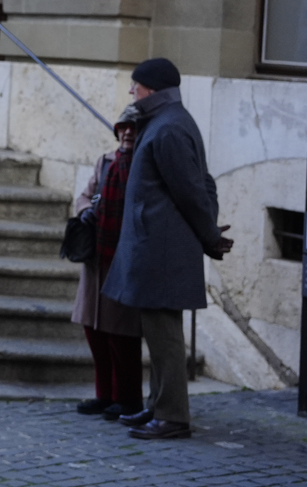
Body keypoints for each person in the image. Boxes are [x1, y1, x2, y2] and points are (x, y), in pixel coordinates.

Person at [101, 58, 231, 441]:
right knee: (156, 331)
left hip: (161, 248)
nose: (130, 90)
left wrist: (209, 235)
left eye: (135, 85)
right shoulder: (162, 121)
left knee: (165, 335)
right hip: (155, 245)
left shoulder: (169, 126)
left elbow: (193, 190)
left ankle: (172, 416)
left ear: (153, 89)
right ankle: (158, 405)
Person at [70, 117, 142, 420]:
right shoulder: (106, 162)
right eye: (122, 127)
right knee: (94, 331)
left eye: (133, 128)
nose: (127, 133)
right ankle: (104, 395)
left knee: (121, 334)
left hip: (123, 257)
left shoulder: (143, 164)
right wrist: (87, 209)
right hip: (97, 255)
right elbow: (91, 195)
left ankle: (128, 398)